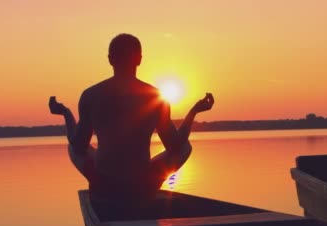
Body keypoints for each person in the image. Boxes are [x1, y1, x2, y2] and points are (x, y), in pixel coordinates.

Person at [48, 33, 214, 207]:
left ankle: (106, 194)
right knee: (185, 147)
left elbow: (79, 145)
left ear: (110, 59)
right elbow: (175, 147)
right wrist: (194, 111)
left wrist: (65, 113)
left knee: (72, 147)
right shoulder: (156, 97)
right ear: (139, 60)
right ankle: (147, 189)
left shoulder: (90, 95)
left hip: (104, 187)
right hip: (142, 187)